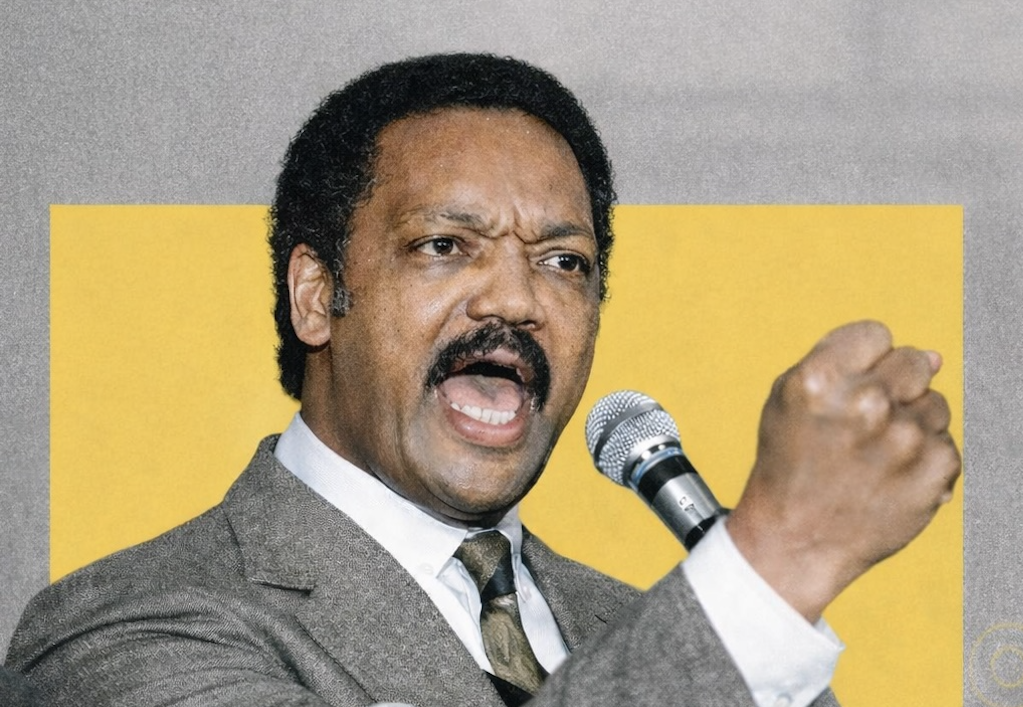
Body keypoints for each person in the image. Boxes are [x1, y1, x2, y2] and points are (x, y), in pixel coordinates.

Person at [4, 53, 960, 707]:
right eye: (444, 245)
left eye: (563, 262)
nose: (515, 298)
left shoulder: (647, 630)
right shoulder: (123, 632)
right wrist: (777, 555)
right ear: (316, 294)